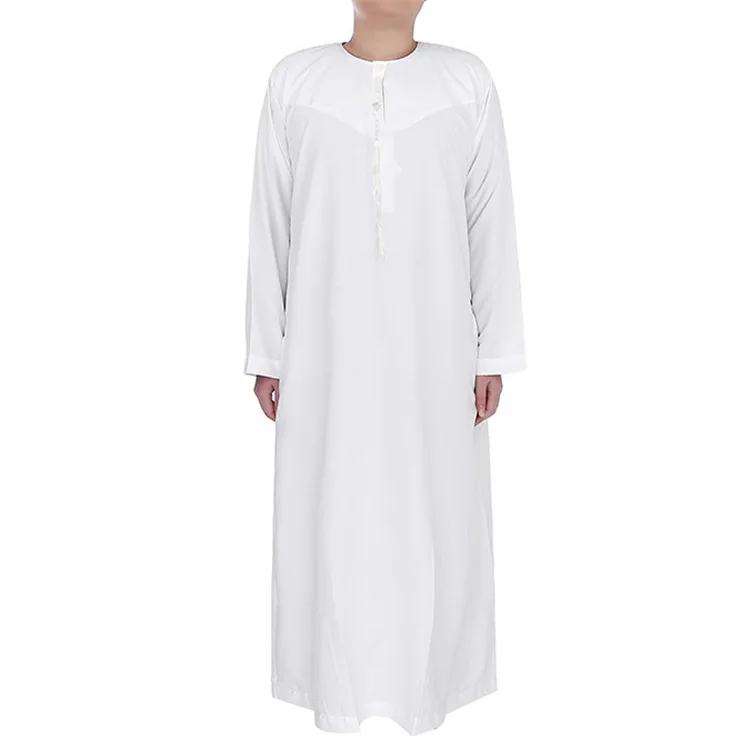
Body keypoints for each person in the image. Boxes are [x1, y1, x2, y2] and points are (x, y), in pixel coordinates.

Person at [244, 0, 526, 735]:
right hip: (322, 350)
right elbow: (271, 221)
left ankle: (429, 687)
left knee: (434, 510)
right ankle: (333, 687)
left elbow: (489, 220)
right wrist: (268, 351)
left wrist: (492, 349)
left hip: (437, 349)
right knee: (330, 508)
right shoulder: (295, 83)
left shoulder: (465, 83)